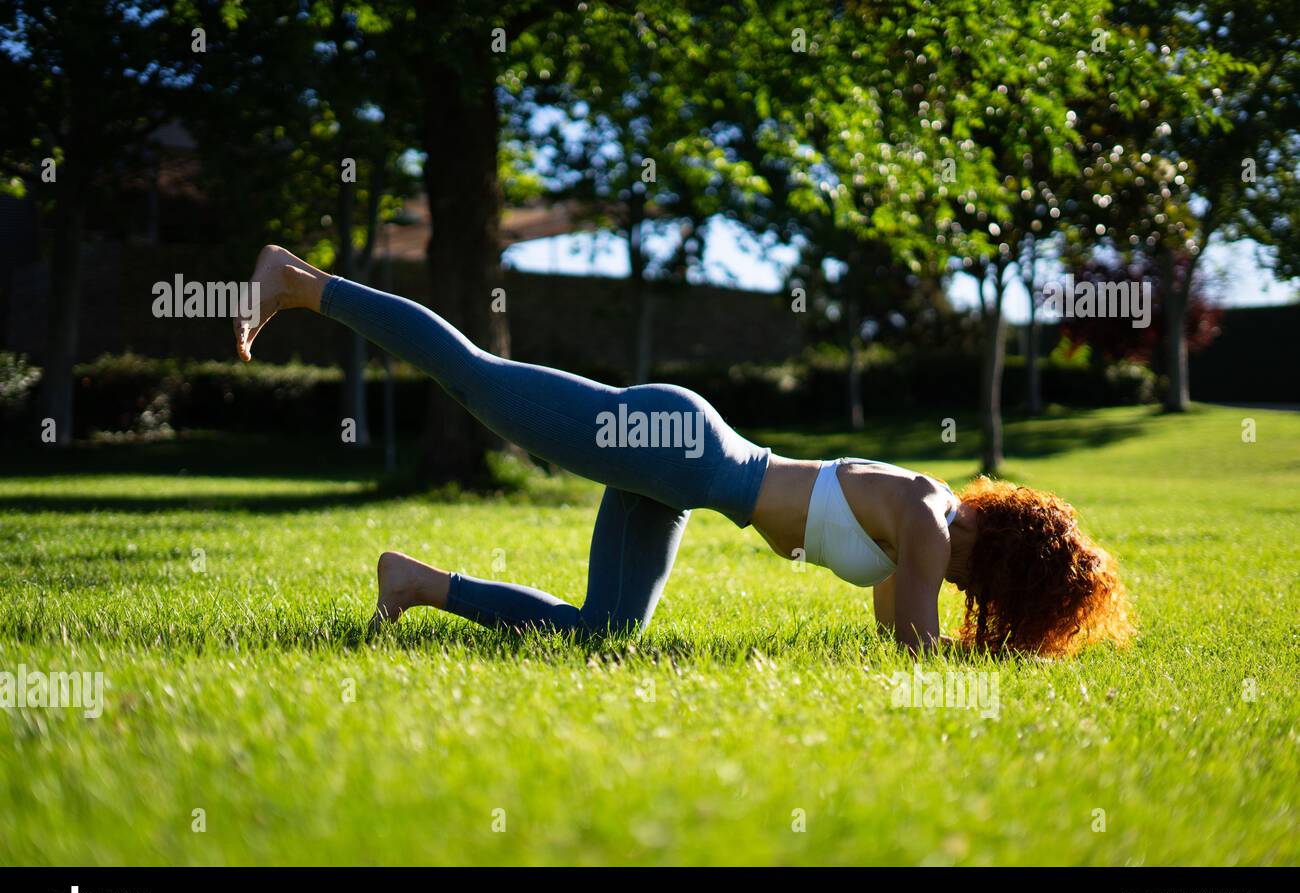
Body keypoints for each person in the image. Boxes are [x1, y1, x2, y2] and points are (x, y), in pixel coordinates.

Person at [236, 245, 1132, 656]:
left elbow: (899, 624)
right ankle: (303, 284)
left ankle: (417, 582)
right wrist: (995, 658)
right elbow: (918, 650)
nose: (993, 610)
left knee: (605, 635)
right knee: (474, 376)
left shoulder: (927, 534)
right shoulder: (935, 525)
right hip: (679, 447)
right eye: (1015, 604)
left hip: (682, 474)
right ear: (1010, 574)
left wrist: (977, 646)